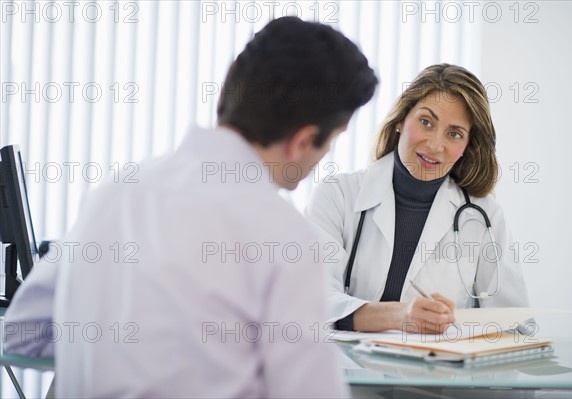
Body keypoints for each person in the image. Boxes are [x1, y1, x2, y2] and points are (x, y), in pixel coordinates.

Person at [3, 17, 378, 397]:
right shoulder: (284, 238)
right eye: (331, 141)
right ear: (304, 140)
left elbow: (21, 334)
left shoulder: (117, 191)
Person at [305, 63, 529, 333]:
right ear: (401, 120)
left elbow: (514, 326)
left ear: (467, 147)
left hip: (438, 371)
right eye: (426, 122)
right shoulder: (337, 195)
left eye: (454, 134)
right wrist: (399, 316)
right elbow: (310, 302)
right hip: (347, 370)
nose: (435, 145)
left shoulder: (484, 217)